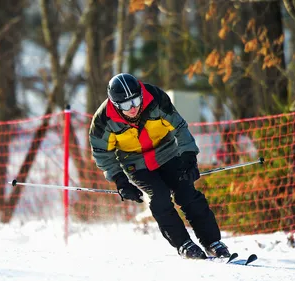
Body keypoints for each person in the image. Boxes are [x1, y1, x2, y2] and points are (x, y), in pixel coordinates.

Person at [89, 73, 230, 260]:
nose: (132, 108)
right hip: (136, 162)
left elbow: (179, 127)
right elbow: (102, 153)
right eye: (125, 105)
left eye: (135, 100)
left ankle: (212, 242)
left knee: (186, 192)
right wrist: (120, 180)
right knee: (160, 197)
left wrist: (188, 156)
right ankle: (184, 244)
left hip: (167, 152)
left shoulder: (155, 98)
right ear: (115, 104)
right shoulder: (103, 121)